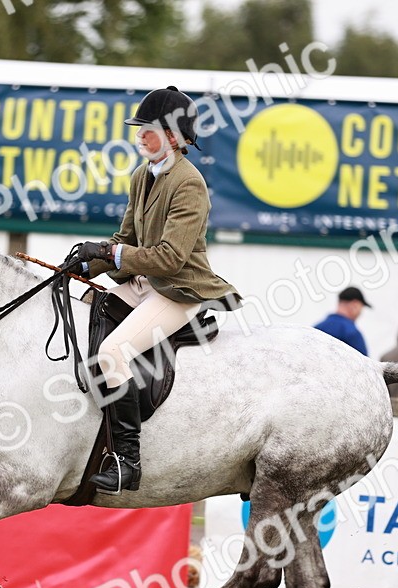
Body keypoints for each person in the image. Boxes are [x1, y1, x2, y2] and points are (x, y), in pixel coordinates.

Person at [68, 85, 242, 495]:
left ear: (176, 137)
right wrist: (81, 262)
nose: (141, 136)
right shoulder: (141, 177)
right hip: (143, 284)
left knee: (112, 352)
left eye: (151, 129)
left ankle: (127, 462)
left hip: (178, 289)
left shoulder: (189, 184)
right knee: (82, 314)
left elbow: (168, 258)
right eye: (140, 129)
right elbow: (124, 238)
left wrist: (110, 254)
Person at [314, 286, 370, 355]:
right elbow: (364, 364)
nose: (360, 312)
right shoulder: (352, 332)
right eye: (361, 307)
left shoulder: (316, 329)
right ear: (354, 304)